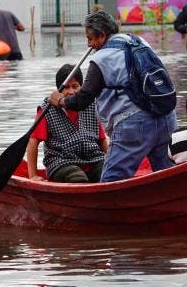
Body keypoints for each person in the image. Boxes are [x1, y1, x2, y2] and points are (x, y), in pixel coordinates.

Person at [47, 10, 178, 182]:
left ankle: (107, 209)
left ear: (102, 35)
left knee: (110, 181)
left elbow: (82, 100)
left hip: (134, 127)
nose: (88, 44)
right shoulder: (139, 41)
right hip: (167, 119)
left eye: (90, 38)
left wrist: (61, 100)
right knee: (167, 176)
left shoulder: (101, 59)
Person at [26, 64, 108, 183]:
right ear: (59, 89)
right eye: (66, 87)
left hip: (92, 159)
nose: (71, 92)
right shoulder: (46, 109)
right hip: (61, 163)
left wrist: (110, 161)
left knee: (111, 172)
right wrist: (32, 175)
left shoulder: (90, 104)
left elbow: (102, 140)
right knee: (77, 178)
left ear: (82, 87)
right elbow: (33, 142)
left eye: (75, 86)